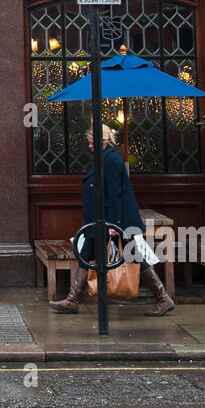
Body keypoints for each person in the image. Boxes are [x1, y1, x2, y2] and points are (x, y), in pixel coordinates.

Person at [49, 123, 175, 315]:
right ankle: (72, 299)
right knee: (87, 253)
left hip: (115, 221)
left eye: (92, 143)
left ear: (104, 141)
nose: (90, 147)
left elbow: (115, 194)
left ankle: (163, 298)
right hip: (102, 220)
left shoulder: (112, 160)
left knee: (135, 256)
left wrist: (114, 224)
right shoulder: (104, 157)